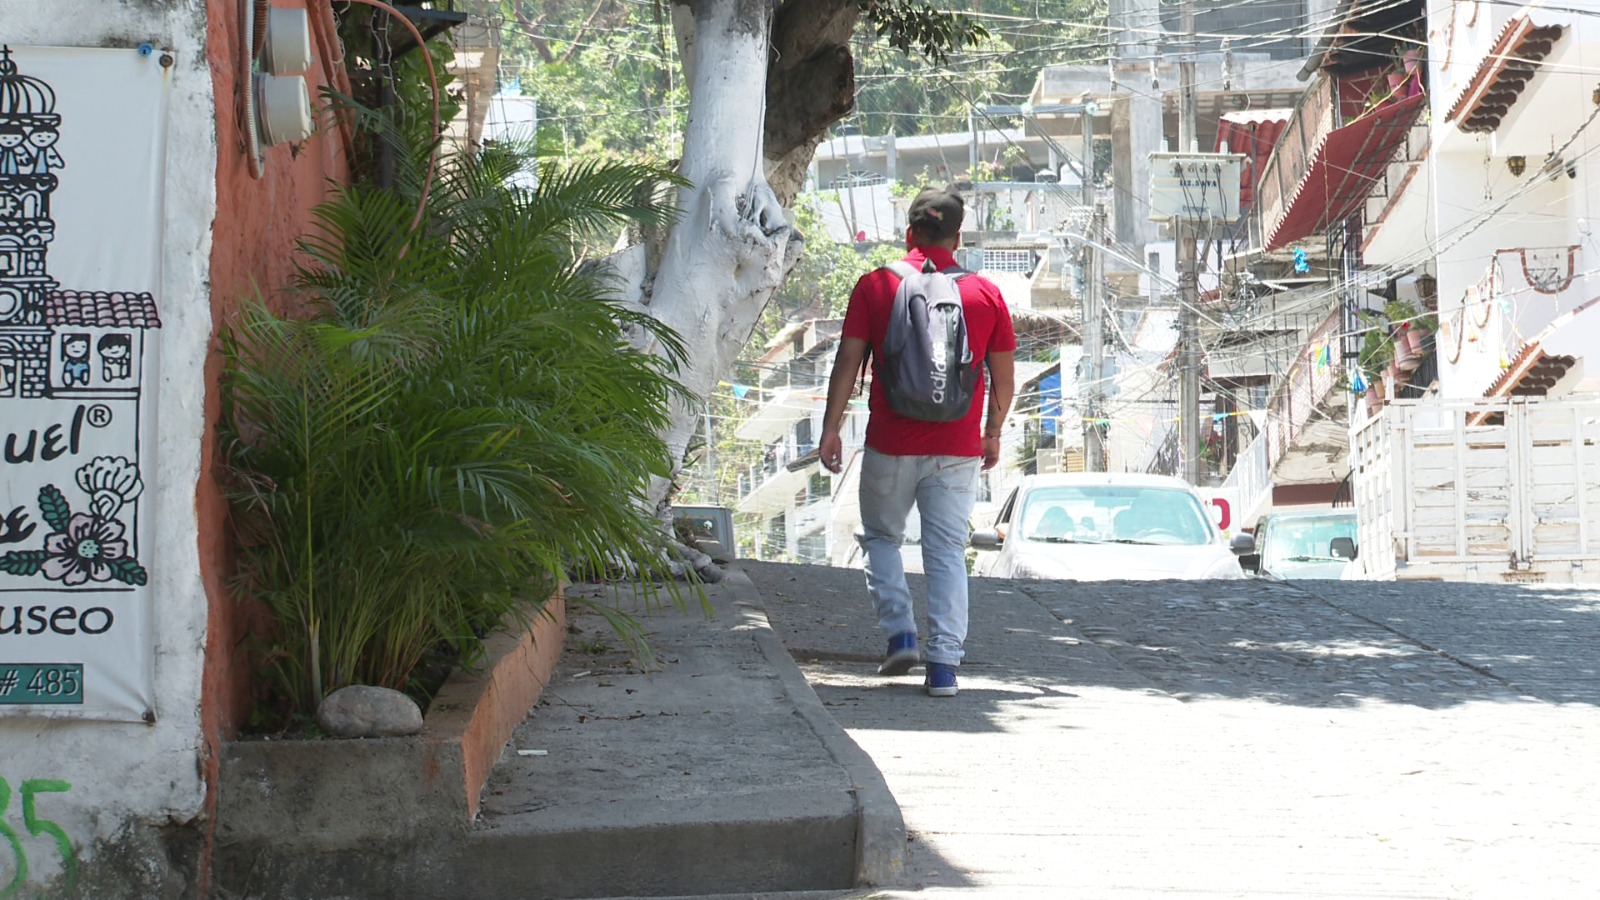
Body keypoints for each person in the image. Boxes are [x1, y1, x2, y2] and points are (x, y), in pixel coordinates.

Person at [818, 187, 1016, 698]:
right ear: (958, 234)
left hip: (889, 441)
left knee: (882, 539)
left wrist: (831, 427)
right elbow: (1003, 380)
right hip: (957, 448)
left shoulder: (876, 285)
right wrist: (991, 433)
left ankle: (901, 633)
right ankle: (945, 667)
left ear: (909, 231)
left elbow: (847, 362)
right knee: (946, 552)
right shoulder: (986, 294)